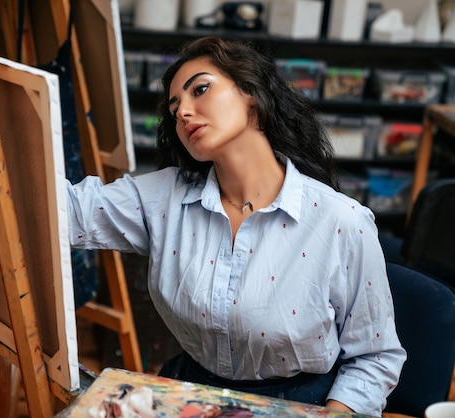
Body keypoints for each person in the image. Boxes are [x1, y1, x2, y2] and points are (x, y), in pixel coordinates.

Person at [66, 36, 406, 416]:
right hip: (190, 398)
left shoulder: (341, 221)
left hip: (300, 407)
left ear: (251, 94)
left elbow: (375, 357)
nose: (182, 113)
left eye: (201, 89)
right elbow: (65, 212)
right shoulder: (164, 197)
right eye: (174, 106)